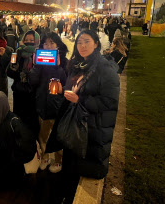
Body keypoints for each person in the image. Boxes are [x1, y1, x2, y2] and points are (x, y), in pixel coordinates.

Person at [47, 30, 120, 203]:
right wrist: (59, 90)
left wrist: (80, 100)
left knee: (81, 167)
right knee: (70, 165)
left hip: (92, 129)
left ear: (96, 43)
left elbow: (109, 102)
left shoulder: (105, 68)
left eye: (87, 41)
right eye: (79, 42)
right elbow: (71, 89)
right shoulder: (78, 65)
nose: (82, 46)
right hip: (75, 125)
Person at [28, 32, 67, 173]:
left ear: (58, 45)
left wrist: (57, 67)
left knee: (57, 135)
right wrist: (36, 66)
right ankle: (44, 157)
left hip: (57, 106)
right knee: (43, 134)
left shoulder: (64, 61)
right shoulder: (40, 62)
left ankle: (58, 160)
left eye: (52, 43)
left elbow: (65, 84)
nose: (48, 46)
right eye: (46, 43)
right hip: (42, 104)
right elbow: (32, 81)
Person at [0, 91, 36, 184]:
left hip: (12, 158)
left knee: (8, 183)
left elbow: (26, 147)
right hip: (2, 154)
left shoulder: (14, 122)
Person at [7, 30, 40, 136]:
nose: (28, 42)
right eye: (26, 40)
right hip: (19, 92)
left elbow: (42, 76)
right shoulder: (18, 53)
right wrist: (14, 68)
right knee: (19, 121)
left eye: (31, 40)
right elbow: (10, 73)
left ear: (37, 41)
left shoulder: (40, 54)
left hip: (34, 94)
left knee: (32, 123)